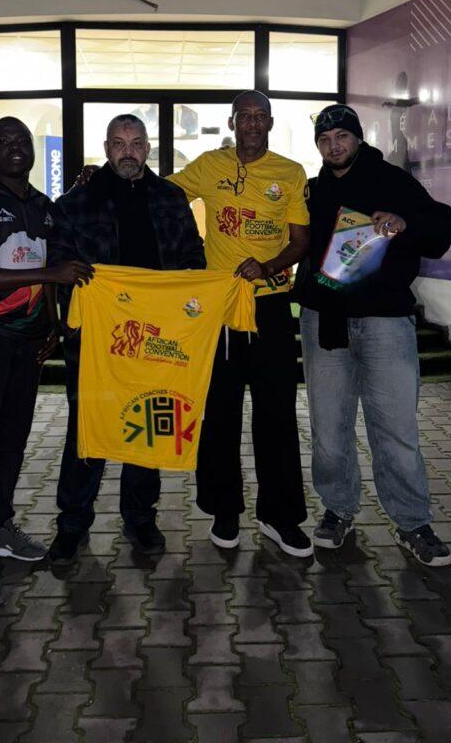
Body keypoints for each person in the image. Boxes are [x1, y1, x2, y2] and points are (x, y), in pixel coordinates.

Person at [295, 104, 451, 566]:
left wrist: (405, 223)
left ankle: (413, 522)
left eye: (342, 136)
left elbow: (440, 224)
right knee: (329, 428)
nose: (333, 146)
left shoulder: (393, 181)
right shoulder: (312, 191)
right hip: (324, 320)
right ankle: (337, 510)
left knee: (396, 430)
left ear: (358, 138)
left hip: (385, 321)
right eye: (325, 140)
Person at [48, 114, 205, 564]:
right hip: (96, 341)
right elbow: (59, 262)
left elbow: (192, 254)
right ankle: (72, 524)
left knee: (148, 423)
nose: (128, 151)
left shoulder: (171, 198)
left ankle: (140, 518)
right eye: (118, 143)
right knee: (88, 428)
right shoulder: (76, 203)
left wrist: (189, 294)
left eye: (136, 143)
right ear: (106, 148)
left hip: (156, 339)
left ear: (148, 149)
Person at [0, 117, 93, 609]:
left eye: (22, 141)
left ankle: (1, 525)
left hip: (27, 342)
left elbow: (48, 275)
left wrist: (51, 323)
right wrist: (53, 273)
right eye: (3, 142)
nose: (14, 148)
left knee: (13, 441)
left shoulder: (43, 207)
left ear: (33, 151)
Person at [169, 91, 313, 557]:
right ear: (232, 123)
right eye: (243, 116)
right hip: (220, 309)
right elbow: (161, 194)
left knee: (277, 414)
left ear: (269, 122)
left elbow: (300, 243)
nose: (251, 123)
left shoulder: (290, 172)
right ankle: (224, 510)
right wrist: (105, 178)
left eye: (259, 116)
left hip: (270, 307)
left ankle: (280, 517)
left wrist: (268, 267)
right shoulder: (209, 165)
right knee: (220, 413)